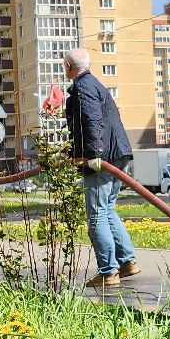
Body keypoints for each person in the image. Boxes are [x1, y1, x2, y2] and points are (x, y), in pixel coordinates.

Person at [63, 47, 137, 287]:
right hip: (117, 153)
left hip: (102, 157)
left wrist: (93, 153)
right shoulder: (95, 84)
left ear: (68, 66)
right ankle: (126, 262)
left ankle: (108, 272)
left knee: (96, 215)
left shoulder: (83, 87)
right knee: (107, 210)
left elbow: (92, 119)